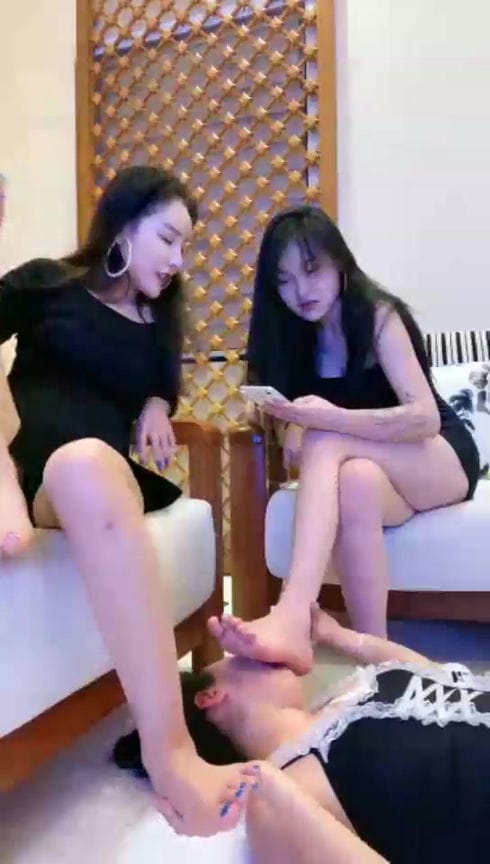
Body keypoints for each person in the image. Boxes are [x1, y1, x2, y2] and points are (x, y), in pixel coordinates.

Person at [0, 166, 255, 835]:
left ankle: (169, 752)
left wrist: (155, 406)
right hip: (19, 462)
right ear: (123, 224)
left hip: (82, 480)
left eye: (184, 246)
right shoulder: (46, 283)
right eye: (168, 239)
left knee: (86, 464)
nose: (177, 261)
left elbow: (162, 384)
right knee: (75, 463)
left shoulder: (157, 319)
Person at [210, 205, 481, 673]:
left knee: (327, 441)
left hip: (438, 458)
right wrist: (291, 422)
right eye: (285, 280)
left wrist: (330, 420)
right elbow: (289, 422)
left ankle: (292, 614)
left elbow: (424, 418)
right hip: (378, 473)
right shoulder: (294, 338)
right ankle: (376, 659)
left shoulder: (378, 318)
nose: (301, 291)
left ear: (339, 263)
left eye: (312, 269)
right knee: (354, 481)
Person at [117, 605, 490, 863]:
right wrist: (267, 783)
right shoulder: (281, 795)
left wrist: (337, 636)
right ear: (210, 696)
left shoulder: (344, 696)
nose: (256, 648)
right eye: (238, 658)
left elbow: (442, 680)